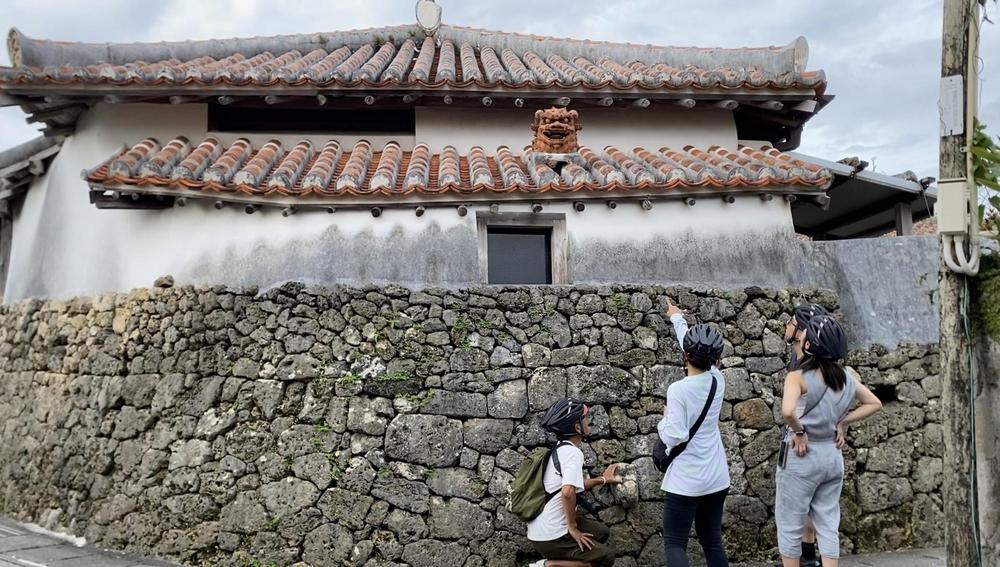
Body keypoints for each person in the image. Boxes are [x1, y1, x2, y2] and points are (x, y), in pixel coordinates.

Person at [776, 315, 883, 567]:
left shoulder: (797, 376)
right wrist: (842, 422)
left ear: (810, 345)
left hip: (801, 456)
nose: (800, 338)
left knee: (790, 524)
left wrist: (799, 432)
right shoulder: (846, 377)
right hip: (832, 457)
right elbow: (874, 403)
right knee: (827, 523)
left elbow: (788, 412)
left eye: (804, 336)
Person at [660, 299, 730, 567]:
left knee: (675, 543)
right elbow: (693, 350)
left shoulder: (678, 390)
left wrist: (663, 420)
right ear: (716, 360)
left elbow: (674, 436)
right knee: (711, 541)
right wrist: (678, 320)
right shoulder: (717, 380)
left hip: (686, 480)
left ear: (686, 356)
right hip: (715, 476)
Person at [527, 397, 621, 567]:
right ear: (577, 427)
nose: (588, 421)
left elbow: (570, 485)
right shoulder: (573, 453)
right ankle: (547, 565)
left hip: (539, 531)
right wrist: (572, 528)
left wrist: (602, 479)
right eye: (584, 418)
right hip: (551, 536)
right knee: (606, 557)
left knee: (601, 533)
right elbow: (568, 491)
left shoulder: (557, 450)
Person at [780, 303, 831, 567]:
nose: (786, 325)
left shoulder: (808, 363)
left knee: (797, 506)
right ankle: (808, 555)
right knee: (811, 503)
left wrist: (799, 430)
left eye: (791, 321)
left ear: (800, 330)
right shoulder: (798, 358)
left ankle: (803, 558)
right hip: (811, 440)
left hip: (805, 440)